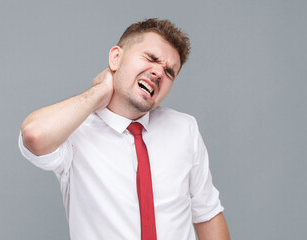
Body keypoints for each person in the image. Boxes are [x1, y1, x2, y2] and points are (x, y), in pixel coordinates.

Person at [19, 18, 230, 240]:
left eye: (169, 72)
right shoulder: (76, 132)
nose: (158, 73)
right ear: (116, 58)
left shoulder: (184, 129)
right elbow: (34, 135)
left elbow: (208, 214)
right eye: (151, 58)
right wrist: (101, 91)